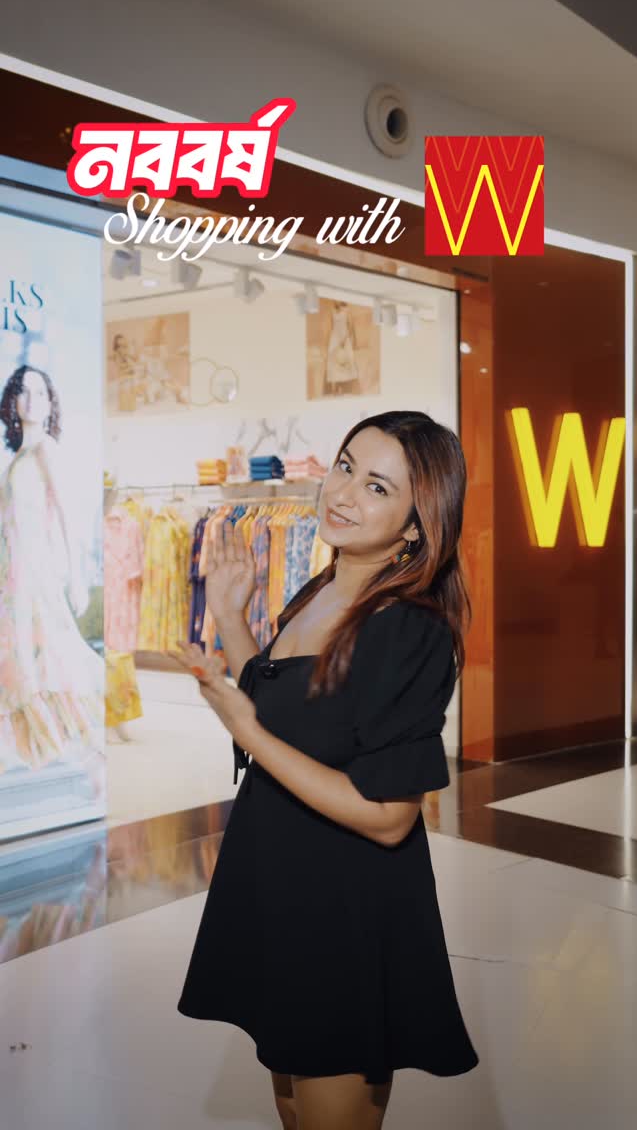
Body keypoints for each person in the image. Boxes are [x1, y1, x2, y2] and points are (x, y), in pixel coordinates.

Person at [174, 410, 479, 1130]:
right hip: (280, 879)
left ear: (416, 525)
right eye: (346, 467)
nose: (343, 493)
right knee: (291, 1099)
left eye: (377, 487)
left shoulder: (408, 627)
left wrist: (247, 730)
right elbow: (289, 714)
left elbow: (388, 816)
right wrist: (232, 618)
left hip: (342, 905)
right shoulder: (322, 591)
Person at [0, 365, 104, 790]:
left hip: (34, 575)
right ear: (13, 400)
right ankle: (57, 756)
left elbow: (65, 513)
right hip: (13, 575)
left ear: (50, 402)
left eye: (41, 392)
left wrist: (76, 575)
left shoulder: (45, 450)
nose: (32, 400)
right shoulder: (19, 456)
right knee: (23, 658)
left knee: (47, 658)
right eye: (24, 391)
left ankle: (90, 757)